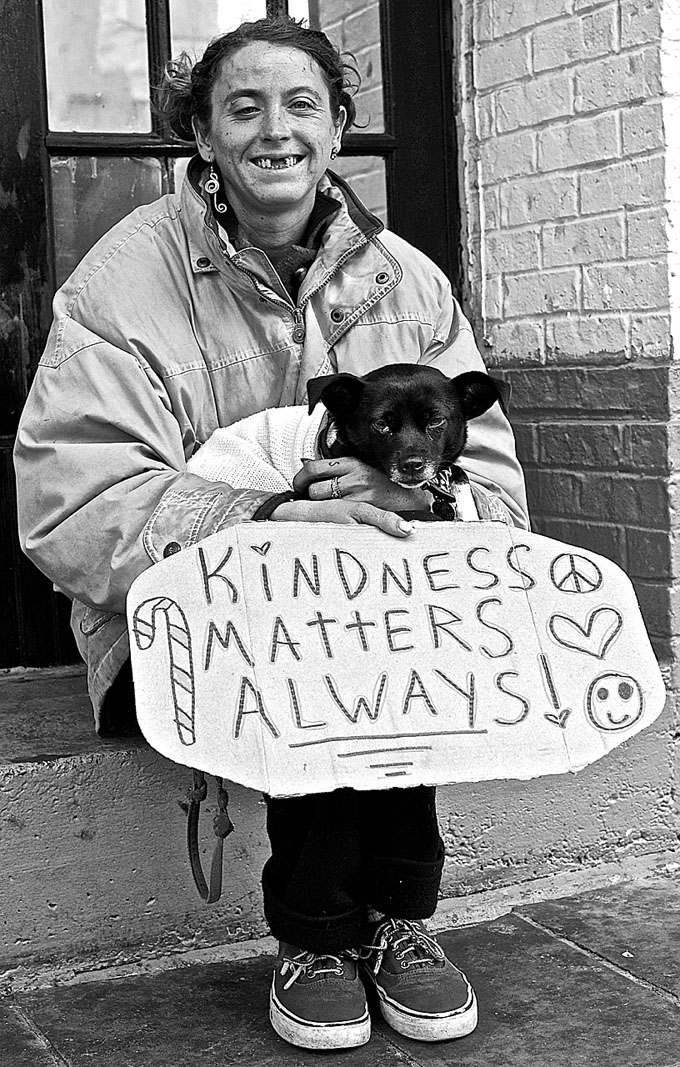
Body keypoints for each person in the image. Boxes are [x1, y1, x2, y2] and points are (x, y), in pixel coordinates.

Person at [14, 16, 529, 1052]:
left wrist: (430, 508)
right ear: (200, 136)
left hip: (380, 624)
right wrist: (271, 518)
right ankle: (319, 934)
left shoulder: (411, 285)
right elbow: (68, 501)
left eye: (301, 105)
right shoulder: (122, 280)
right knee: (325, 646)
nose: (274, 131)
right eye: (241, 108)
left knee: (372, 639)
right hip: (179, 627)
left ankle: (399, 917)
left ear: (337, 127)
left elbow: (497, 496)